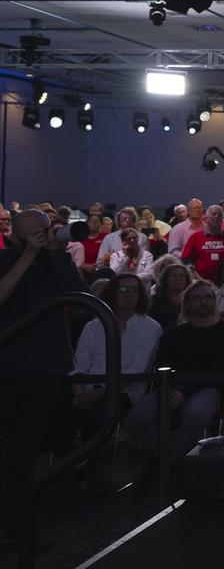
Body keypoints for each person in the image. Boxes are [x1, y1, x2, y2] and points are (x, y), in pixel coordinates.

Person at [0, 210, 87, 546]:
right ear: (16, 237)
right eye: (33, 234)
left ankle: (21, 519)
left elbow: (78, 296)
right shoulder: (6, 258)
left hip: (48, 366)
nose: (42, 236)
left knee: (30, 446)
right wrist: (28, 256)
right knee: (11, 447)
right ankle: (14, 520)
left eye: (45, 231)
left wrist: (55, 255)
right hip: (8, 365)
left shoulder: (57, 260)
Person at [122, 280, 224, 471]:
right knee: (135, 420)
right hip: (170, 386)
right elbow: (162, 365)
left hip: (207, 388)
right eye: (197, 298)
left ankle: (165, 464)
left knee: (196, 415)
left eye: (208, 297)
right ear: (188, 302)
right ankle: (172, 459)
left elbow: (219, 371)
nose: (203, 302)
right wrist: (170, 390)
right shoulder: (173, 335)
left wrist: (184, 392)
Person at [69, 273, 162, 473]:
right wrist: (78, 390)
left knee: (97, 414)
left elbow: (135, 372)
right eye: (122, 289)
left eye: (134, 289)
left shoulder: (150, 328)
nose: (129, 294)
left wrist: (97, 393)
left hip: (124, 392)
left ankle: (90, 468)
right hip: (87, 390)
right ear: (112, 292)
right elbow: (79, 365)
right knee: (57, 410)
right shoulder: (93, 326)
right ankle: (67, 465)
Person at [180, 204, 224, 281]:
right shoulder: (195, 237)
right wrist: (196, 277)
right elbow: (186, 261)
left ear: (222, 218)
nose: (216, 216)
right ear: (206, 218)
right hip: (200, 282)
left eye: (219, 215)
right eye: (214, 214)